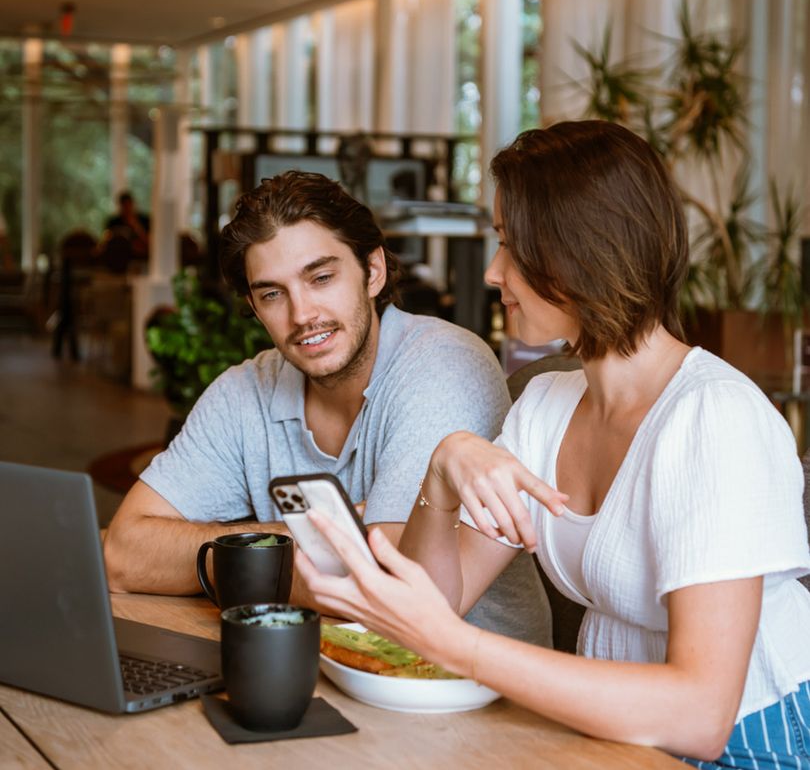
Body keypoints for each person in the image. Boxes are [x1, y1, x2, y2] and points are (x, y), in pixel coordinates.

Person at [297, 121, 810, 769]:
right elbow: (439, 604)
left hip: (752, 738)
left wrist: (460, 647)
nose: (491, 272)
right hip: (611, 735)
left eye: (510, 246)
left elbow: (702, 715)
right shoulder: (546, 406)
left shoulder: (713, 416)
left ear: (578, 252)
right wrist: (440, 480)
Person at [104, 170, 551, 647]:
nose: (302, 315)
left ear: (373, 271)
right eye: (273, 294)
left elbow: (391, 588)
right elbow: (124, 553)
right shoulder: (246, 391)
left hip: (471, 692)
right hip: (322, 667)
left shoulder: (443, 365)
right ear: (255, 308)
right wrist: (322, 534)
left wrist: (223, 551)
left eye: (321, 277)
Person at [105, 191, 150, 257]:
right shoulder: (113, 222)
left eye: (129, 205)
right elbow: (106, 242)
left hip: (140, 256)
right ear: (120, 206)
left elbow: (150, 242)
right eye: (124, 206)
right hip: (120, 257)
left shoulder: (144, 220)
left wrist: (136, 226)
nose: (127, 209)